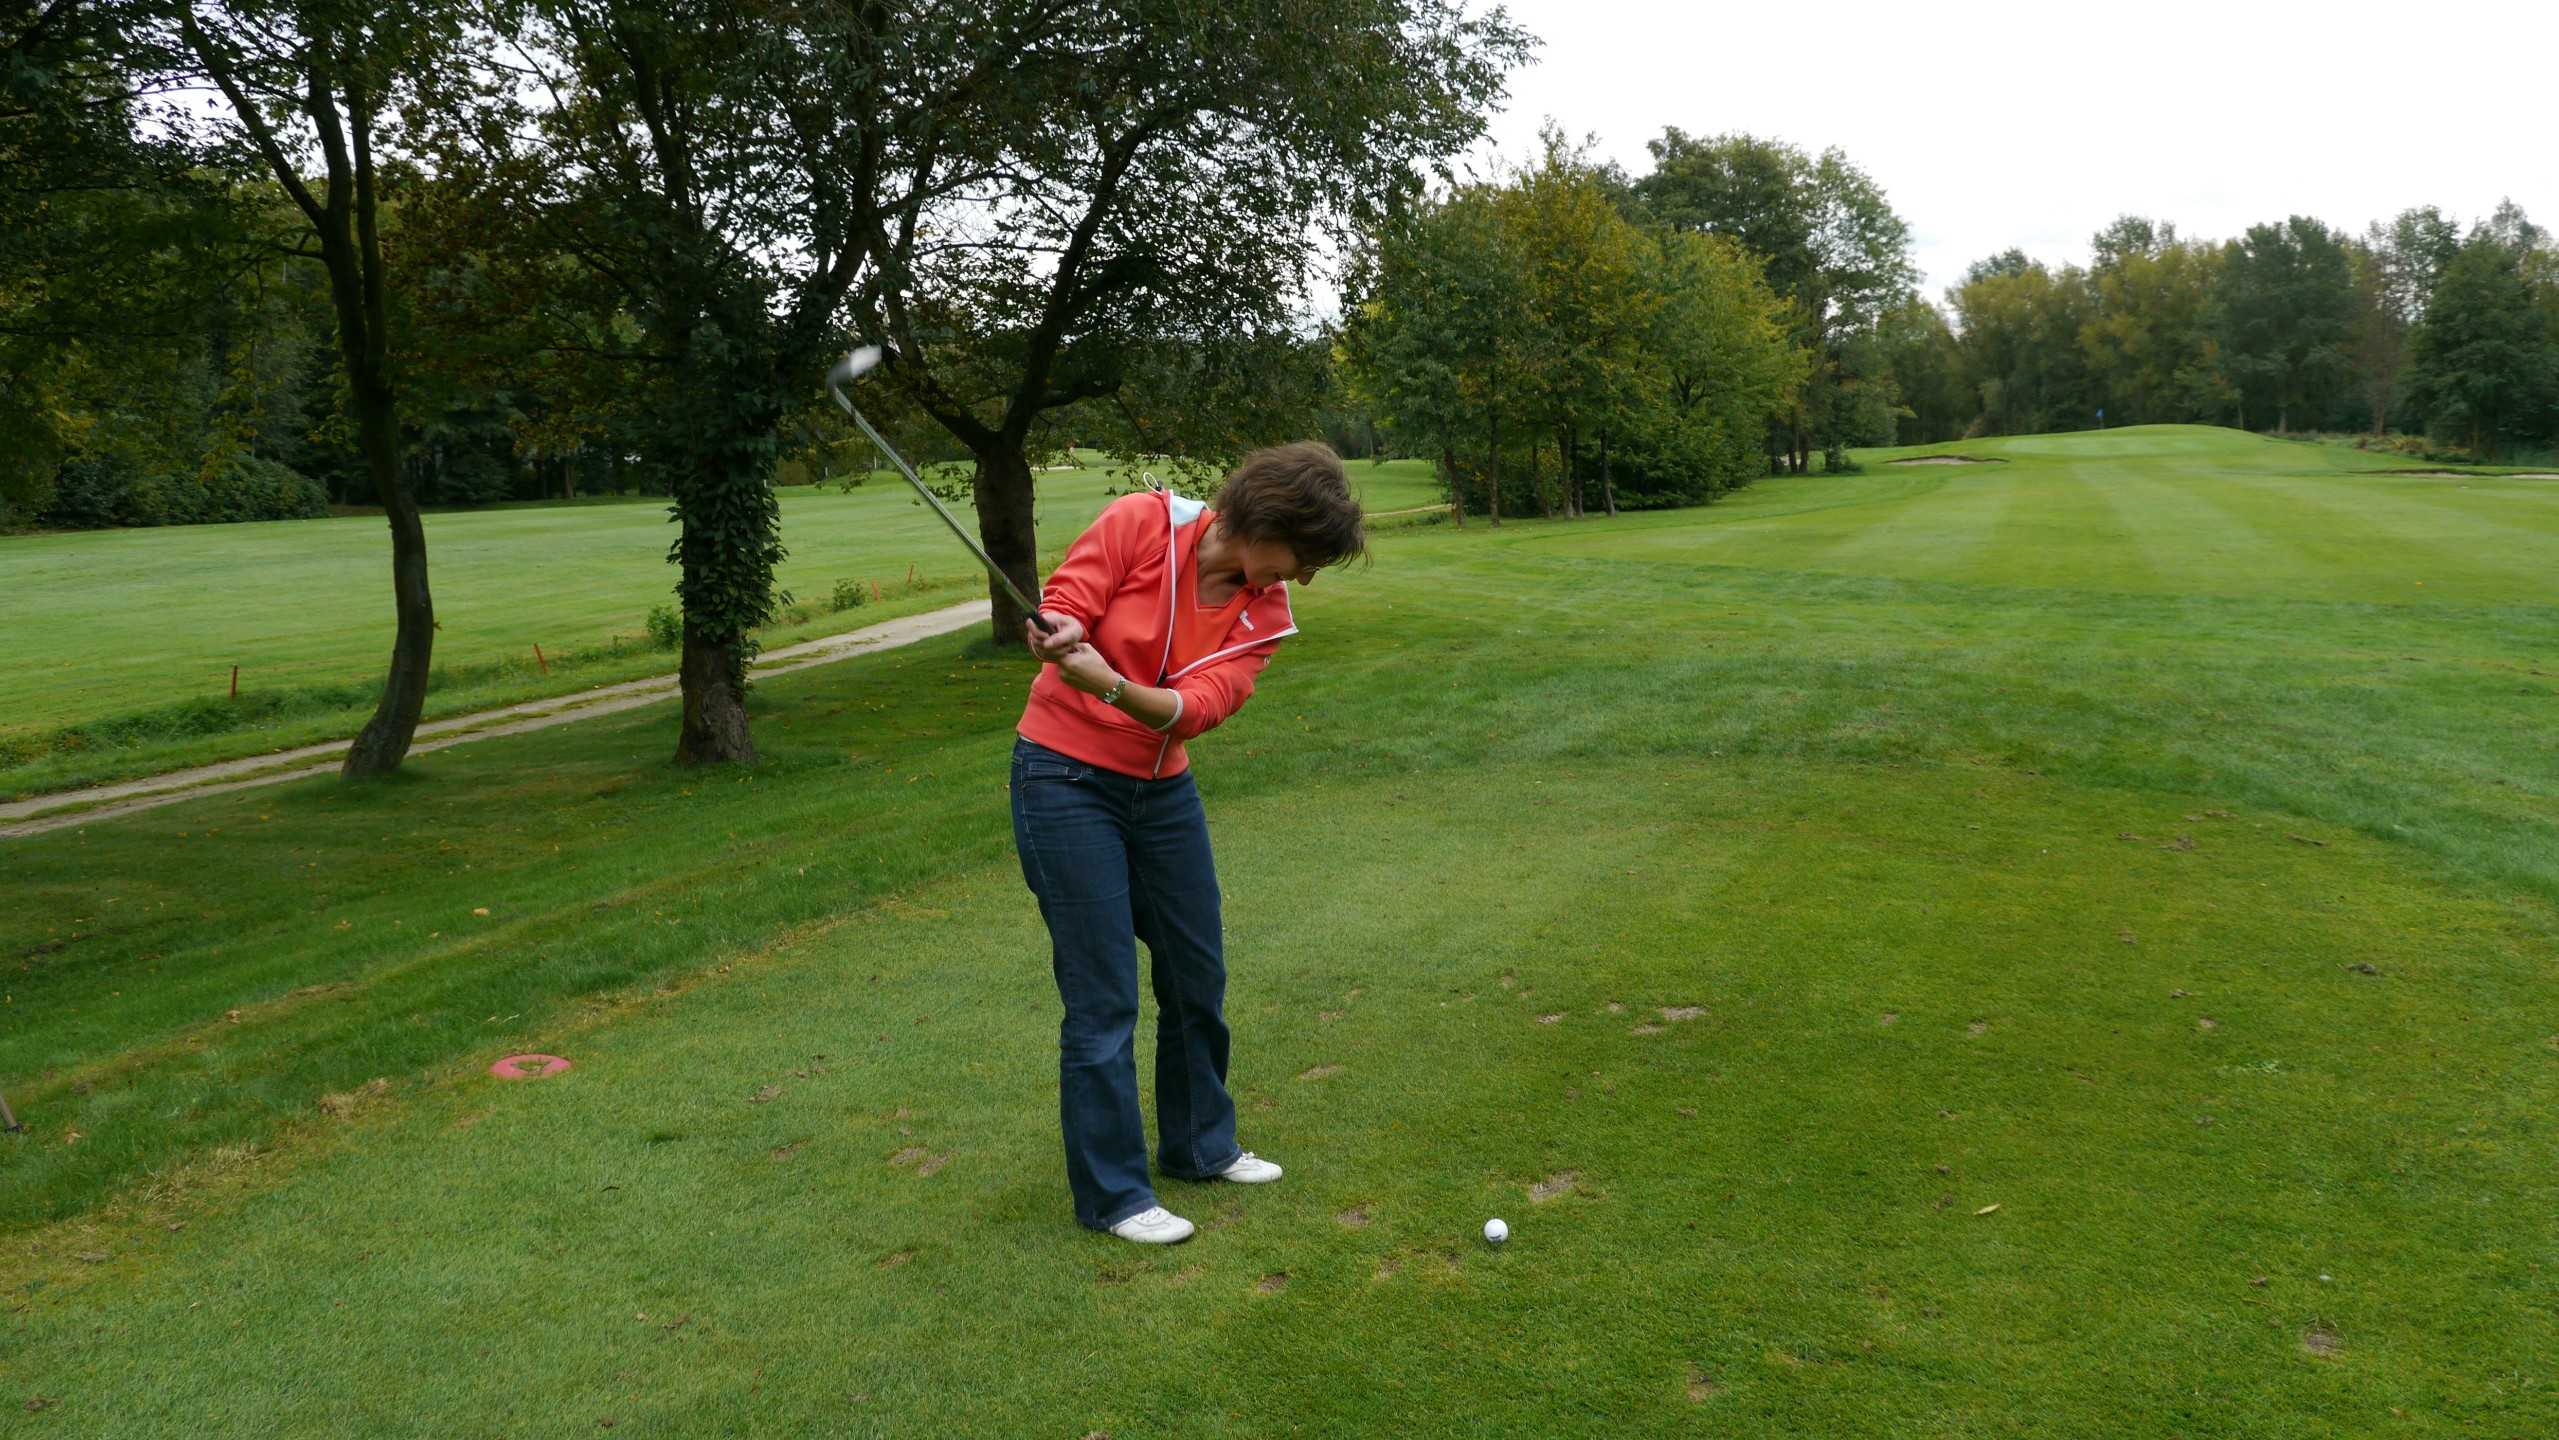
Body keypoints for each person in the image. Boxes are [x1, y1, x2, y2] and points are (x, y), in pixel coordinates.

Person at [1011, 442, 1366, 1243]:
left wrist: (1107, 682)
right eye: (1305, 557)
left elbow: (1194, 710)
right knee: (1103, 998)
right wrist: (1059, 629)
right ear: (1267, 526)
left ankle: (1200, 1146)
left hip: (1161, 790)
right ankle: (1114, 1196)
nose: (1306, 577)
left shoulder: (1265, 613)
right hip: (1063, 780)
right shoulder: (1142, 523)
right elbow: (1068, 600)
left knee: (1195, 974)